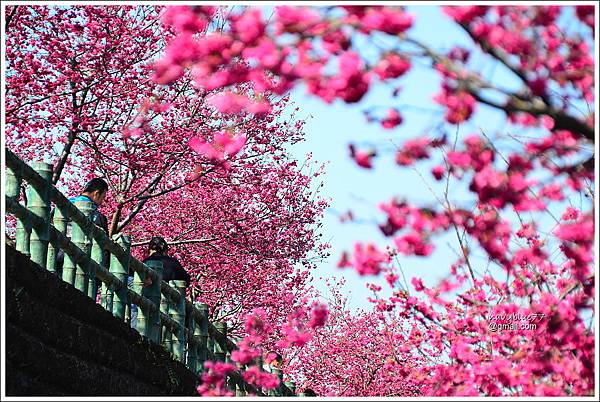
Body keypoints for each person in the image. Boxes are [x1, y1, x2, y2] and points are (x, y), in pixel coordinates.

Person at [56, 178, 110, 285]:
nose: (102, 201)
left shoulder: (61, 206)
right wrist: (102, 273)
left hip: (55, 254)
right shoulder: (97, 217)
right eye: (103, 197)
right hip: (81, 263)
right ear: (96, 193)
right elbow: (103, 247)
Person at [129, 236, 190, 328]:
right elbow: (187, 281)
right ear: (165, 250)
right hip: (171, 308)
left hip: (148, 305)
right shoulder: (174, 263)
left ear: (149, 250)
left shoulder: (146, 262)